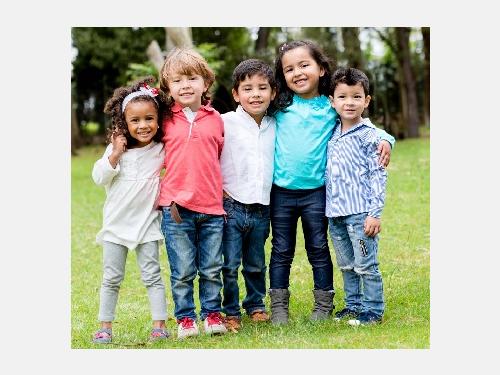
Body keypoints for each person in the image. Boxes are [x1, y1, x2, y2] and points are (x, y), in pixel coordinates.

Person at [268, 40, 395, 325]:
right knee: (281, 249)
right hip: (282, 194)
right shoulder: (279, 106)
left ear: (321, 69)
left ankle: (324, 304)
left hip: (317, 194)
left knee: (318, 248)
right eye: (289, 69)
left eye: (304, 65)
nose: (297, 72)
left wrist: (387, 139)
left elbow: (364, 125)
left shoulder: (331, 106)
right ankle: (278, 307)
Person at [91, 77, 170, 344]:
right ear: (124, 123)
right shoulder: (116, 151)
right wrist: (114, 154)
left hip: (147, 223)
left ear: (158, 120)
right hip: (116, 225)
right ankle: (105, 326)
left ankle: (159, 324)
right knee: (111, 277)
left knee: (152, 275)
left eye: (149, 118)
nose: (143, 125)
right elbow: (99, 177)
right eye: (135, 120)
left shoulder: (161, 150)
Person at [158, 48, 227, 339]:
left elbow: (221, 156)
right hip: (175, 208)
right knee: (183, 269)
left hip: (212, 207)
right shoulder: (163, 120)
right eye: (177, 81)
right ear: (168, 87)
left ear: (205, 83)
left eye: (192, 78)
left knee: (212, 267)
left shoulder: (216, 119)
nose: (185, 85)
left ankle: (211, 314)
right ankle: (185, 318)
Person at [326, 67, 387, 325]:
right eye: (342, 96)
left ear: (366, 100)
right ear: (332, 101)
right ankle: (353, 305)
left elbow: (378, 175)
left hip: (360, 215)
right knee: (347, 265)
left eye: (356, 96)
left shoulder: (370, 136)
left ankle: (373, 311)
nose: (349, 102)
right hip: (335, 214)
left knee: (366, 264)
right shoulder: (331, 132)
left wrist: (374, 213)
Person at [219, 59, 276, 332]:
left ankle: (255, 305)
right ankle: (229, 310)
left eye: (262, 88)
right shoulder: (224, 122)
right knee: (229, 264)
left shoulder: (275, 124)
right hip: (231, 204)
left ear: (273, 92)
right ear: (236, 94)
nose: (255, 94)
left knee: (255, 263)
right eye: (248, 88)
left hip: (262, 207)